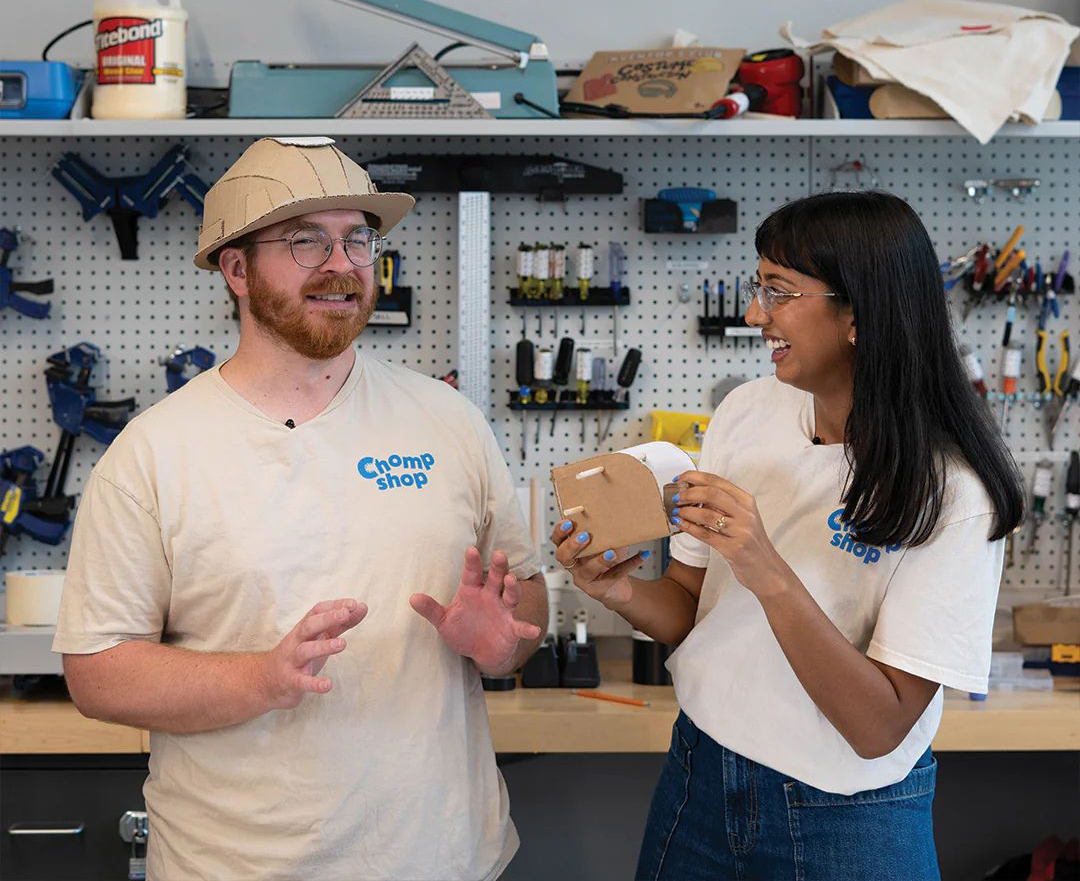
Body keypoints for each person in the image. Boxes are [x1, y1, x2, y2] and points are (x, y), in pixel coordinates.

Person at [54, 136, 547, 881]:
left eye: (358, 239)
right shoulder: (154, 453)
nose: (342, 264)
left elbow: (524, 605)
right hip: (238, 865)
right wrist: (262, 679)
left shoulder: (446, 419)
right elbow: (98, 673)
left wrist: (501, 646)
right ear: (236, 268)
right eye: (305, 241)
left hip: (444, 857)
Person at [551, 191, 1023, 880]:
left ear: (858, 311)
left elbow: (879, 726)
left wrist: (766, 567)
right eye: (757, 285)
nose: (753, 314)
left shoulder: (953, 490)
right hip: (700, 773)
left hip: (848, 818)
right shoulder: (746, 409)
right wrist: (620, 589)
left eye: (778, 291)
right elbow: (690, 607)